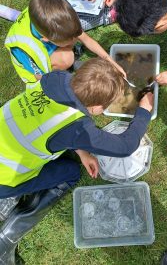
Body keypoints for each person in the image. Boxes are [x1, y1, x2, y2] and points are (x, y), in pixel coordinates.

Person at [0, 57, 153, 264]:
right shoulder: (80, 129)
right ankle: (6, 236)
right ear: (97, 107)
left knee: (69, 151)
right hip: (5, 179)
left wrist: (82, 151)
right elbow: (126, 146)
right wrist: (143, 111)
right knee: (71, 171)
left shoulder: (57, 78)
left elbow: (54, 125)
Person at [4, 0, 125, 84]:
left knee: (69, 48)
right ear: (47, 39)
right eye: (69, 40)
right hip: (34, 70)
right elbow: (40, 78)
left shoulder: (54, 17)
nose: (75, 40)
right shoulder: (27, 50)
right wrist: (75, 82)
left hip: (48, 42)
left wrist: (111, 61)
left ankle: (68, 59)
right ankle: (64, 66)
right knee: (67, 58)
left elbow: (86, 39)